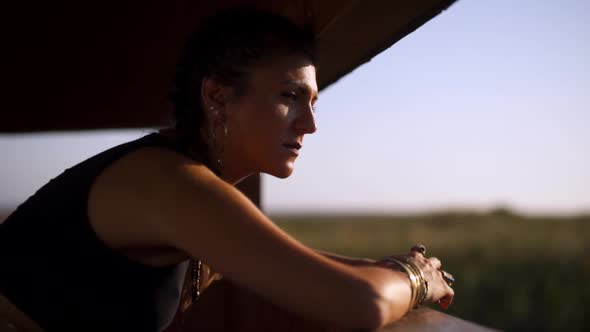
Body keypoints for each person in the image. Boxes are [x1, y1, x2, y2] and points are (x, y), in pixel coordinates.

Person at [0, 8, 454, 332]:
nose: (310, 124)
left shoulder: (188, 181)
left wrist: (395, 266)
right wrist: (415, 279)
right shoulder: (170, 184)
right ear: (217, 96)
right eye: (289, 97)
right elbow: (362, 304)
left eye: (313, 102)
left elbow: (304, 267)